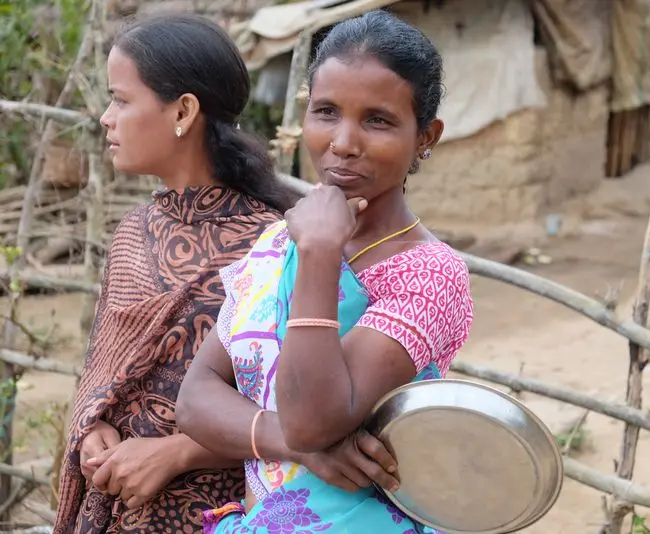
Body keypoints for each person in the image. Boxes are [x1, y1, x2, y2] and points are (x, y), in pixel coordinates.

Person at [175, 9, 474, 533]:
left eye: (377, 120)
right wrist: (299, 447)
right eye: (327, 112)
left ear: (426, 136)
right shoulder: (275, 245)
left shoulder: (429, 274)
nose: (343, 142)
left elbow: (315, 418)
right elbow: (196, 400)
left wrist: (318, 252)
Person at [54, 14, 297, 534]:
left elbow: (297, 409)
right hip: (114, 512)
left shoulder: (276, 247)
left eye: (121, 99)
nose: (104, 117)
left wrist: (177, 453)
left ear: (184, 110)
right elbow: (104, 373)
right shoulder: (132, 235)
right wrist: (92, 426)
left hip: (220, 514)